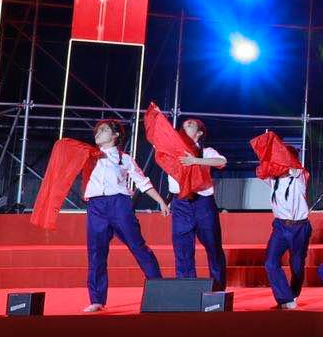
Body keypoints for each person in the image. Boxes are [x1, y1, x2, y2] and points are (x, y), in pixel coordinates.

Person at [82, 119, 168, 313]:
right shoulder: (88, 155)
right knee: (96, 252)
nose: (98, 133)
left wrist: (161, 201)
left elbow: (142, 181)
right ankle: (97, 300)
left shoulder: (124, 158)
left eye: (103, 130)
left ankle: (159, 290)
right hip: (96, 206)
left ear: (115, 135)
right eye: (97, 131)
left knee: (138, 247)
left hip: (119, 204)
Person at [169, 118, 228, 290]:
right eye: (185, 124)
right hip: (180, 203)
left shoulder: (206, 151)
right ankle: (187, 291)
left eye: (191, 124)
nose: (186, 124)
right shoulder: (173, 151)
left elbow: (222, 162)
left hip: (203, 203)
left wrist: (195, 161)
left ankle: (217, 289)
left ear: (199, 133)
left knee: (213, 246)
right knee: (182, 249)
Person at [263, 150, 311, 311]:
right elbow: (262, 170)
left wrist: (285, 158)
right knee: (270, 262)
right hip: (280, 226)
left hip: (300, 227)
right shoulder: (273, 179)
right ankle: (285, 299)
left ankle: (293, 294)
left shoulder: (299, 176)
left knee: (297, 265)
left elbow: (296, 169)